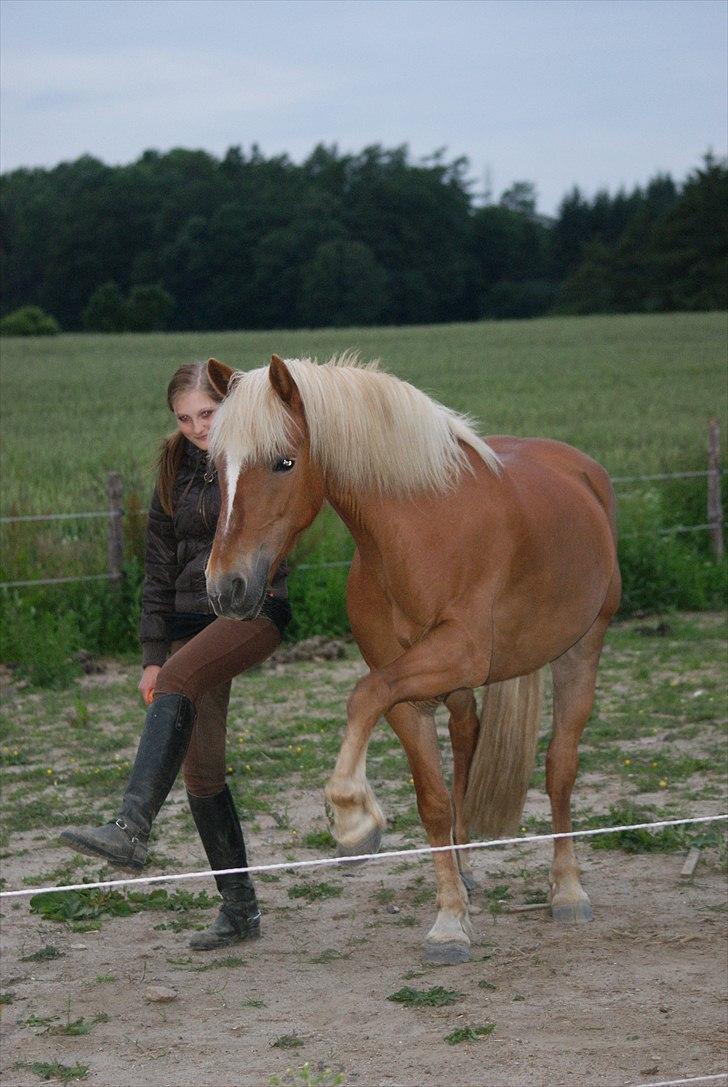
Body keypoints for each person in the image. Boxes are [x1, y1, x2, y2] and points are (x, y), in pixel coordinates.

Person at [61, 362, 290, 950]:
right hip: (188, 626)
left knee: (180, 680)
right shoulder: (173, 469)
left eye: (206, 414)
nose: (196, 428)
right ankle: (240, 910)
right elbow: (157, 569)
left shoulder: (255, 456)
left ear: (231, 407)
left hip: (249, 610)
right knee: (201, 771)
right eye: (184, 418)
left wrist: (170, 668)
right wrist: (151, 653)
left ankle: (130, 826)